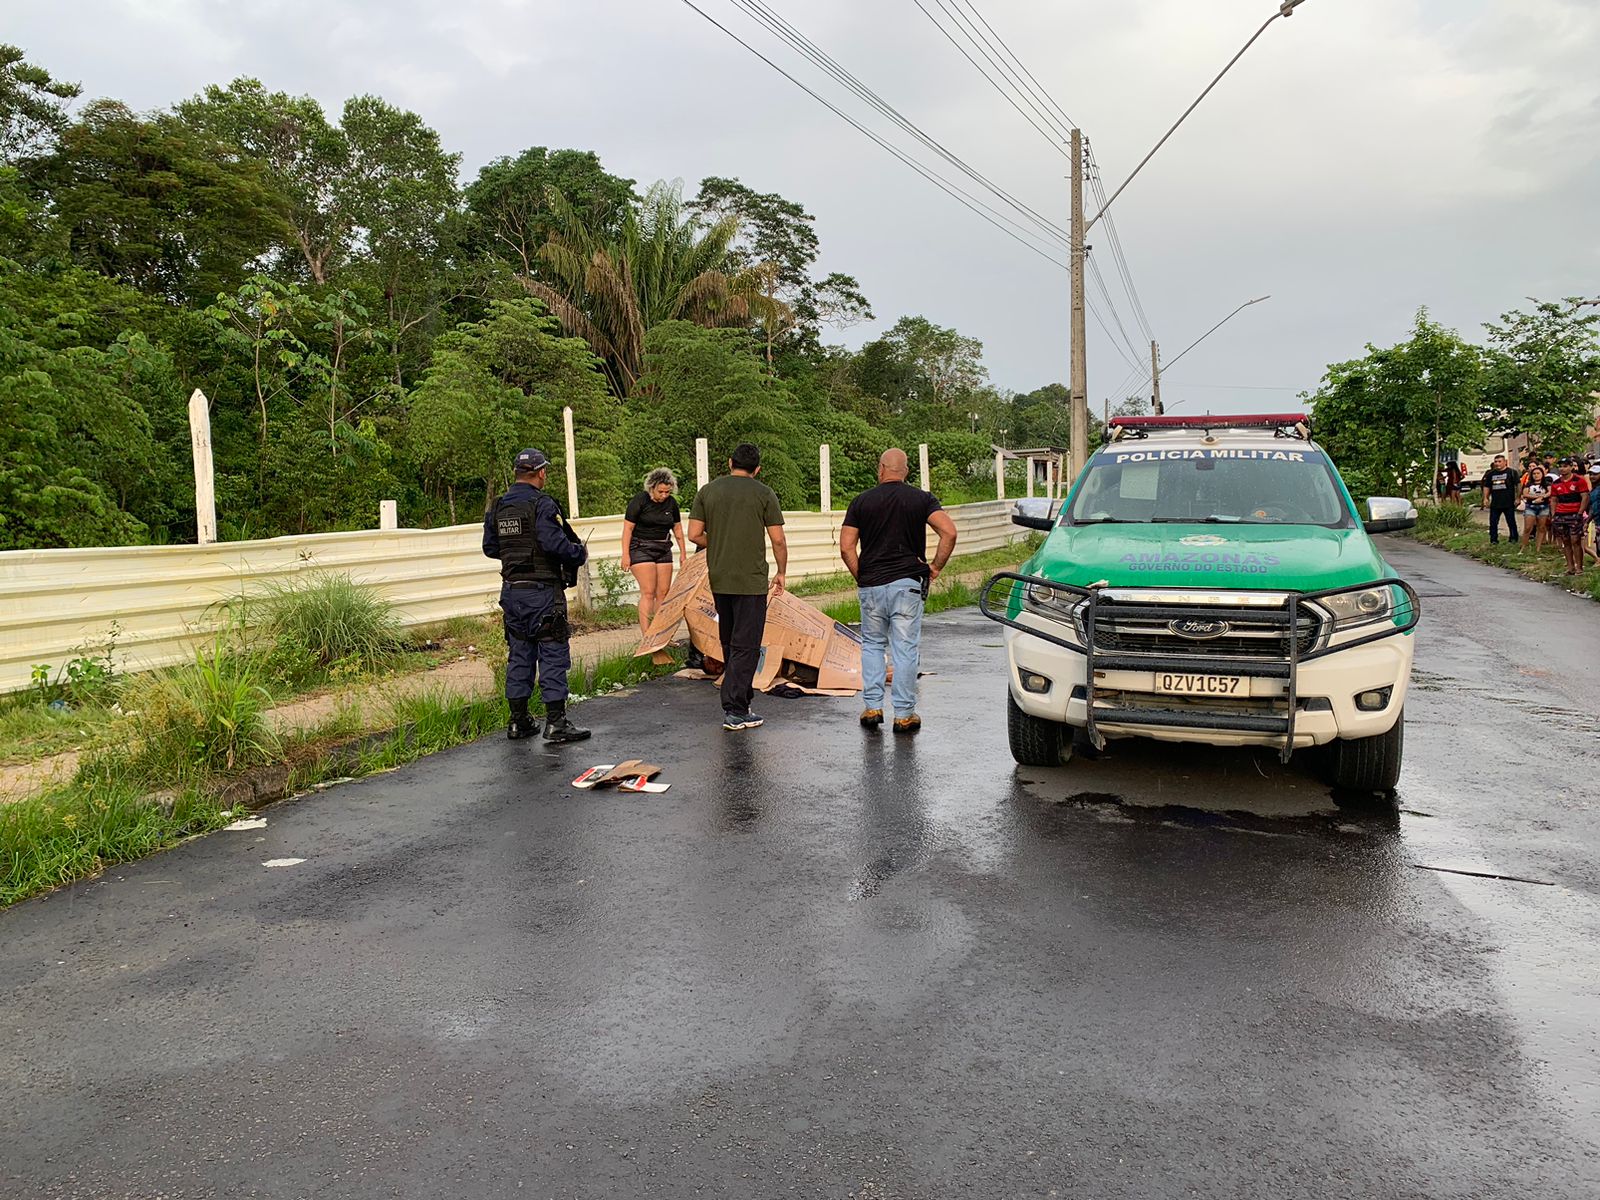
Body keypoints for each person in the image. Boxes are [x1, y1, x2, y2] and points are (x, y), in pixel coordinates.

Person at [839, 449, 959, 734]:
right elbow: (949, 532)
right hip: (907, 584)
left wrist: (862, 576)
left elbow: (846, 546)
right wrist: (935, 567)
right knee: (904, 649)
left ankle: (872, 708)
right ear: (905, 471)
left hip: (872, 584)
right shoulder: (922, 499)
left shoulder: (861, 501)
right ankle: (904, 715)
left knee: (872, 645)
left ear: (881, 468)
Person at [482, 448, 591, 743]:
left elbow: (490, 548)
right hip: (542, 593)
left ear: (516, 473)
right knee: (553, 652)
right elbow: (554, 543)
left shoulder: (499, 506)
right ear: (541, 472)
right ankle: (556, 723)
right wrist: (578, 553)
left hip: (512, 592)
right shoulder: (542, 504)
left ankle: (518, 722)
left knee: (520, 654)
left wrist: (517, 555)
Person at [686, 443, 787, 731]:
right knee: (747, 645)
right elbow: (778, 539)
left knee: (730, 641)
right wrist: (781, 571)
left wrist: (719, 541)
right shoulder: (764, 493)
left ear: (730, 462)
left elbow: (694, 534)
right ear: (758, 469)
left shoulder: (708, 491)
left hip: (720, 578)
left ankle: (741, 700)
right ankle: (735, 710)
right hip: (751, 581)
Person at [620, 467, 687, 638]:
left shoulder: (671, 504)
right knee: (648, 591)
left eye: (667, 492)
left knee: (663, 593)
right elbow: (628, 529)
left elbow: (678, 530)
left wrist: (683, 554)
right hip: (641, 548)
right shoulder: (640, 501)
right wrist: (625, 555)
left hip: (663, 548)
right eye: (660, 492)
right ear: (652, 488)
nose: (664, 495)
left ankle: (660, 635)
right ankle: (647, 636)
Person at [1549, 458, 1592, 576]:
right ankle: (1570, 567)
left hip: (1575, 513)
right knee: (1565, 541)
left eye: (1565, 466)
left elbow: (1585, 497)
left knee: (1575, 540)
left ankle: (1579, 567)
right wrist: (1553, 515)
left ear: (1571, 467)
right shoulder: (1556, 483)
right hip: (1560, 514)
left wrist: (1580, 513)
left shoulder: (1579, 480)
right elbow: (1553, 499)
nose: (1562, 469)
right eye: (1561, 466)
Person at [1480, 453, 1519, 544]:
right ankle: (1493, 540)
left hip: (1509, 502)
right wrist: (1485, 498)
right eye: (1496, 461)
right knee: (1493, 523)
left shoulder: (1512, 472)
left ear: (1505, 462)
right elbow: (1487, 486)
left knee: (1511, 522)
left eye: (1499, 461)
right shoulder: (1490, 474)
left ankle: (1513, 538)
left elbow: (1518, 485)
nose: (1497, 463)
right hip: (1495, 503)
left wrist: (1518, 497)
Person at [1520, 464, 1553, 553]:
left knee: (1541, 527)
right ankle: (1523, 547)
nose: (1536, 475)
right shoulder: (1529, 483)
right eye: (1534, 474)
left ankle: (1538, 548)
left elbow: (1550, 492)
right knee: (1528, 528)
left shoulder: (1546, 483)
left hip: (1543, 507)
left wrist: (1542, 497)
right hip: (1531, 507)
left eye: (1538, 473)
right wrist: (1537, 497)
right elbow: (1525, 494)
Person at [1587, 461, 1600, 564]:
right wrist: (1587, 521)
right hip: (1597, 521)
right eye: (1590, 474)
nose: (1592, 476)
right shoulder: (1593, 490)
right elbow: (1592, 507)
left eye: (1595, 474)